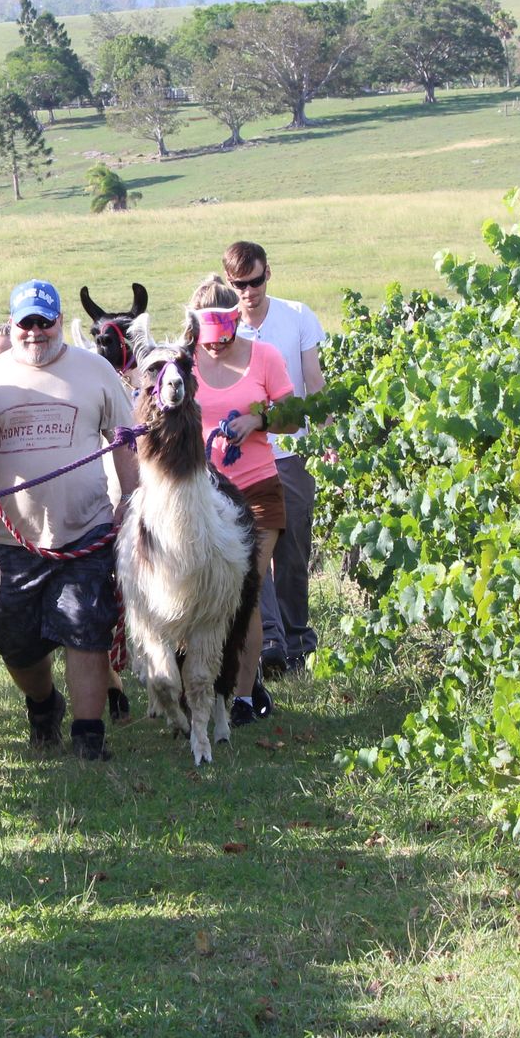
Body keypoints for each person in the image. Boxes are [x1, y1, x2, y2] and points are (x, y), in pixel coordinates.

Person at [0, 279, 139, 761]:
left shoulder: (95, 370)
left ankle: (88, 735)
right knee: (15, 643)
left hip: (85, 527)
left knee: (87, 627)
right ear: (13, 324)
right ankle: (43, 704)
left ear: (60, 321)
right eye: (27, 323)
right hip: (11, 539)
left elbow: (124, 437)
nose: (36, 332)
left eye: (45, 322)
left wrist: (131, 496)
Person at [186, 276, 296, 724]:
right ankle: (204, 685)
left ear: (236, 325)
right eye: (207, 342)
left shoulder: (264, 357)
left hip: (256, 491)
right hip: (201, 494)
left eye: (223, 340)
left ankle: (245, 697)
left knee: (244, 591)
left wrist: (259, 420)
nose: (215, 349)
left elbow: (293, 417)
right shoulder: (183, 361)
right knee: (201, 592)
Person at [223, 240, 326, 675]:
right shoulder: (221, 330)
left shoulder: (298, 317)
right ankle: (269, 644)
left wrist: (326, 440)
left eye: (257, 281)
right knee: (251, 554)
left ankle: (297, 640)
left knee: (293, 554)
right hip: (241, 460)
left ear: (270, 274)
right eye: (240, 285)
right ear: (229, 283)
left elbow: (313, 383)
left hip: (293, 452)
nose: (249, 292)